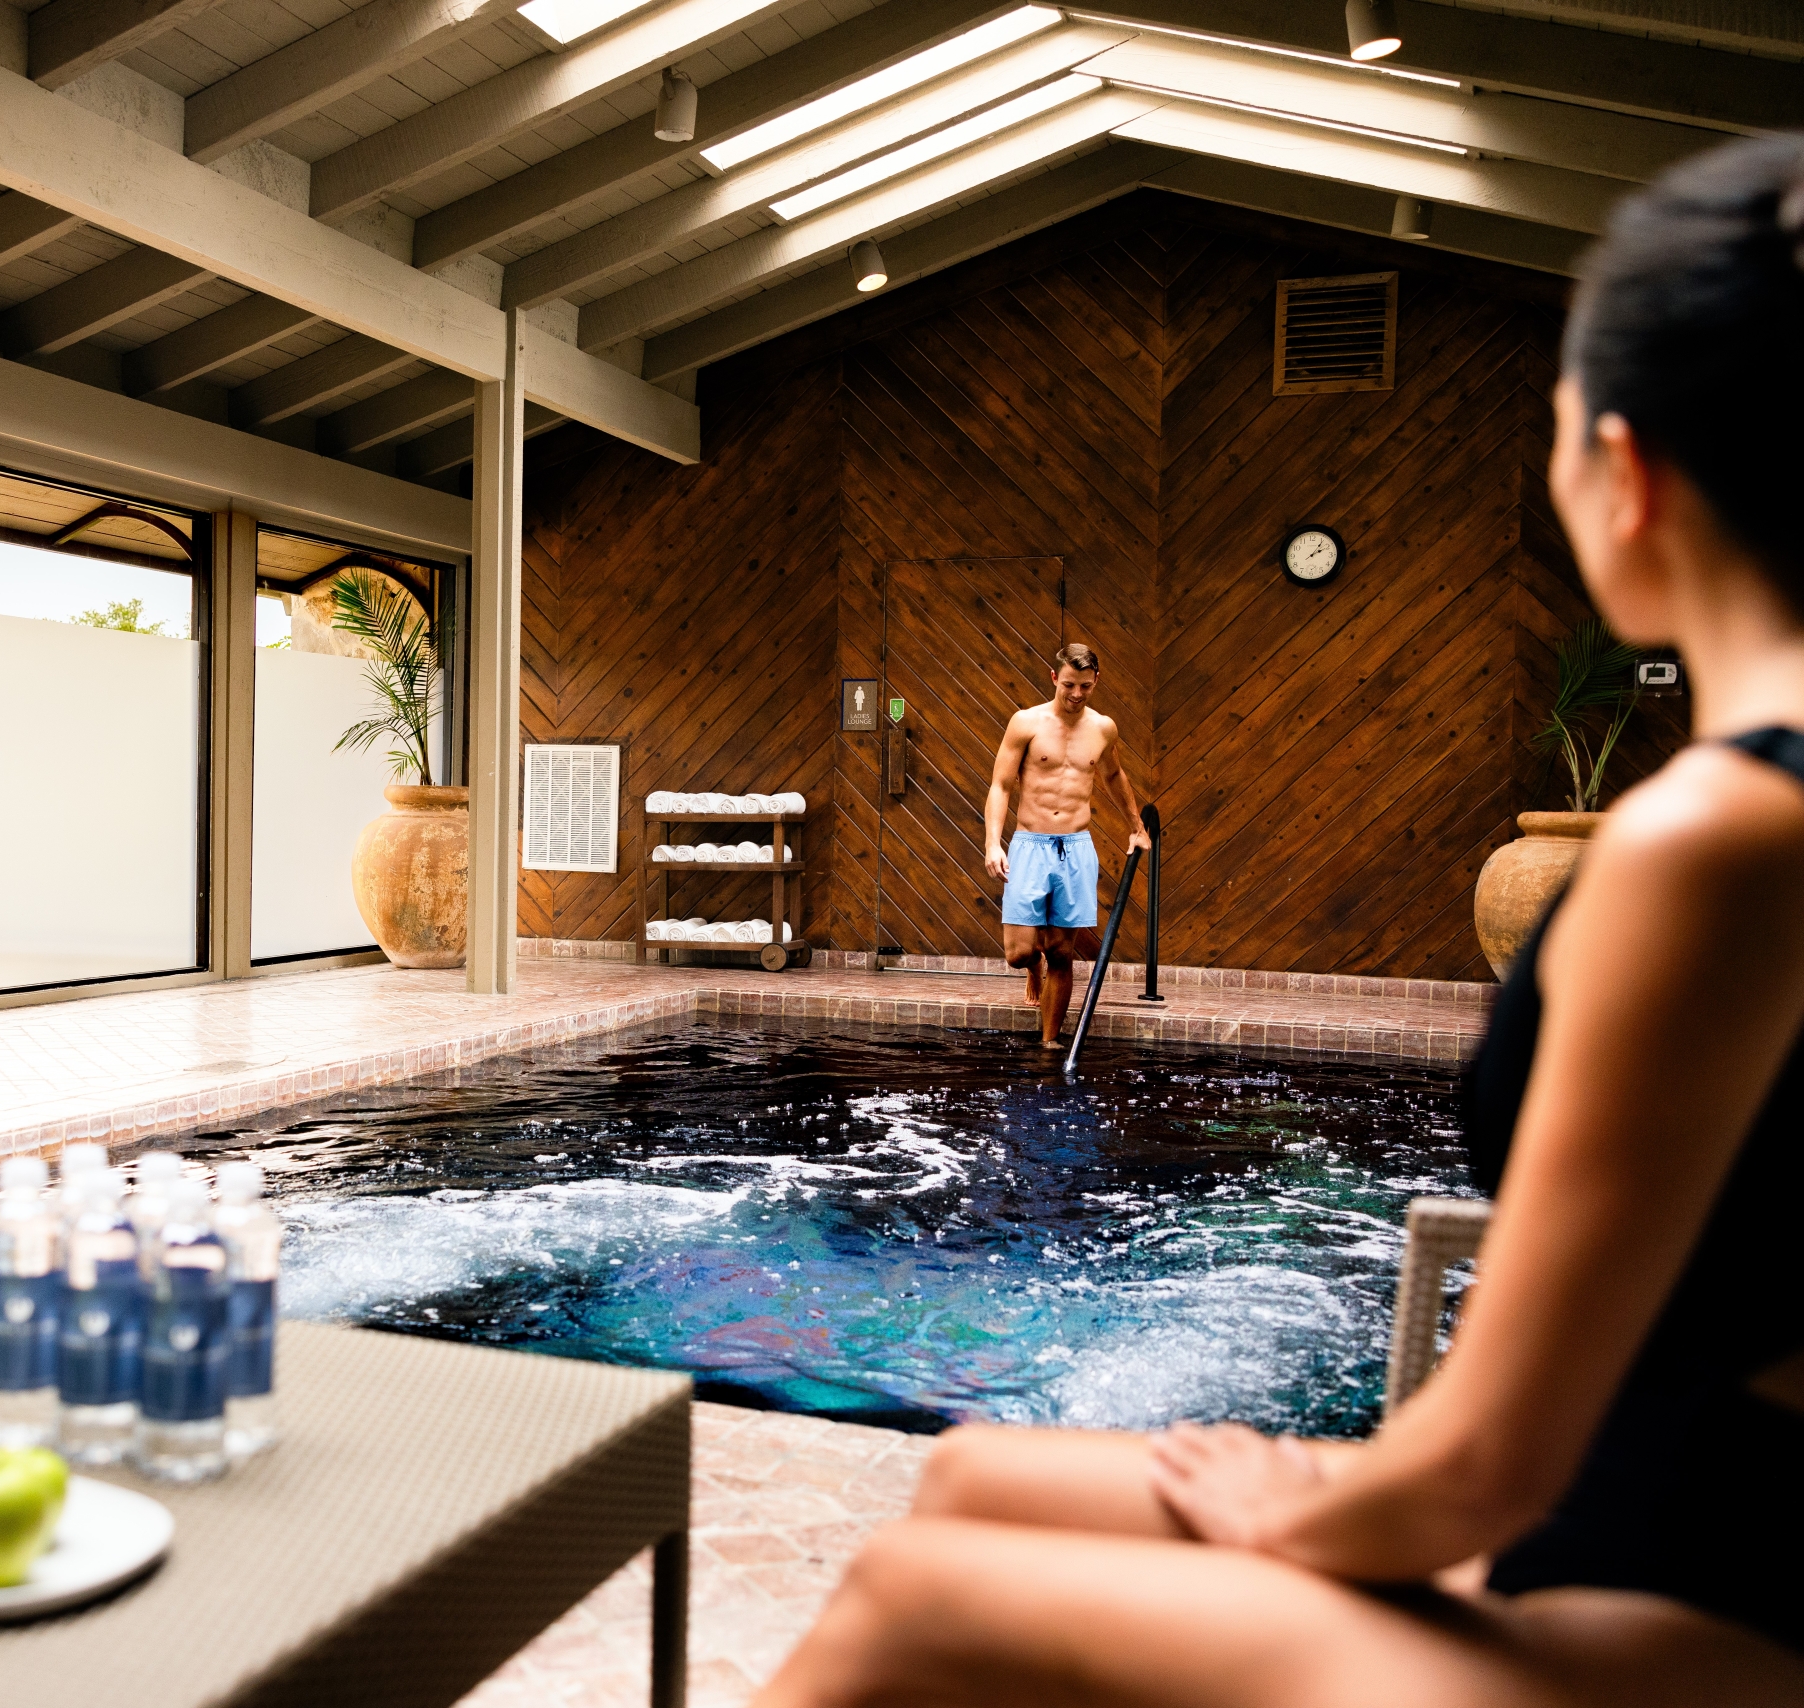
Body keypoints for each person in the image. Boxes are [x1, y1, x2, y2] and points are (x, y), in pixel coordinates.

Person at [755, 134, 1804, 1708]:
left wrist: (1310, 1499)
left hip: (1680, 1588)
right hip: (1635, 1511)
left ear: (1625, 468)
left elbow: (1482, 1470)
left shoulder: (1721, 839)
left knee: (915, 1592)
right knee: (979, 1479)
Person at [982, 643, 1150, 1048]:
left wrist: (1136, 827)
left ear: (1096, 682)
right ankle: (1029, 967)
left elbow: (1114, 776)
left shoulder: (1103, 728)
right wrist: (993, 843)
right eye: (1070, 685)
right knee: (1020, 952)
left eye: (1086, 687)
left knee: (1061, 950)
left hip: (1076, 847)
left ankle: (1049, 1042)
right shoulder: (1026, 723)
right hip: (1029, 844)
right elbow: (1001, 785)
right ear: (1055, 677)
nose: (1077, 694)